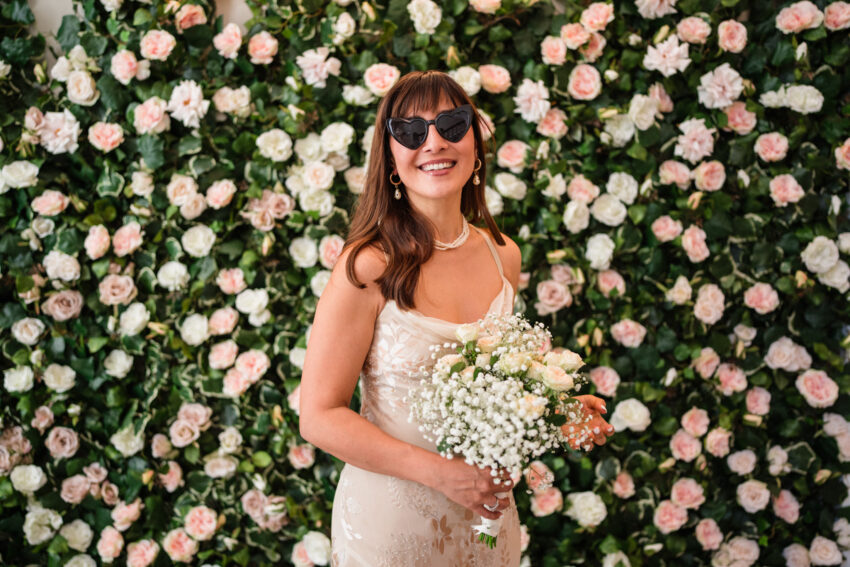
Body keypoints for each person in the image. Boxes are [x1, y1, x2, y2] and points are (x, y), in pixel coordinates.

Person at [299, 70, 614, 567]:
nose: (434, 142)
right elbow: (318, 417)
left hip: (487, 523)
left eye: (451, 123)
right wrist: (441, 474)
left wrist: (561, 408)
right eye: (410, 131)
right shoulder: (367, 264)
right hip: (391, 533)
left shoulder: (502, 255)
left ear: (474, 142)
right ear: (392, 161)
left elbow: (498, 383)